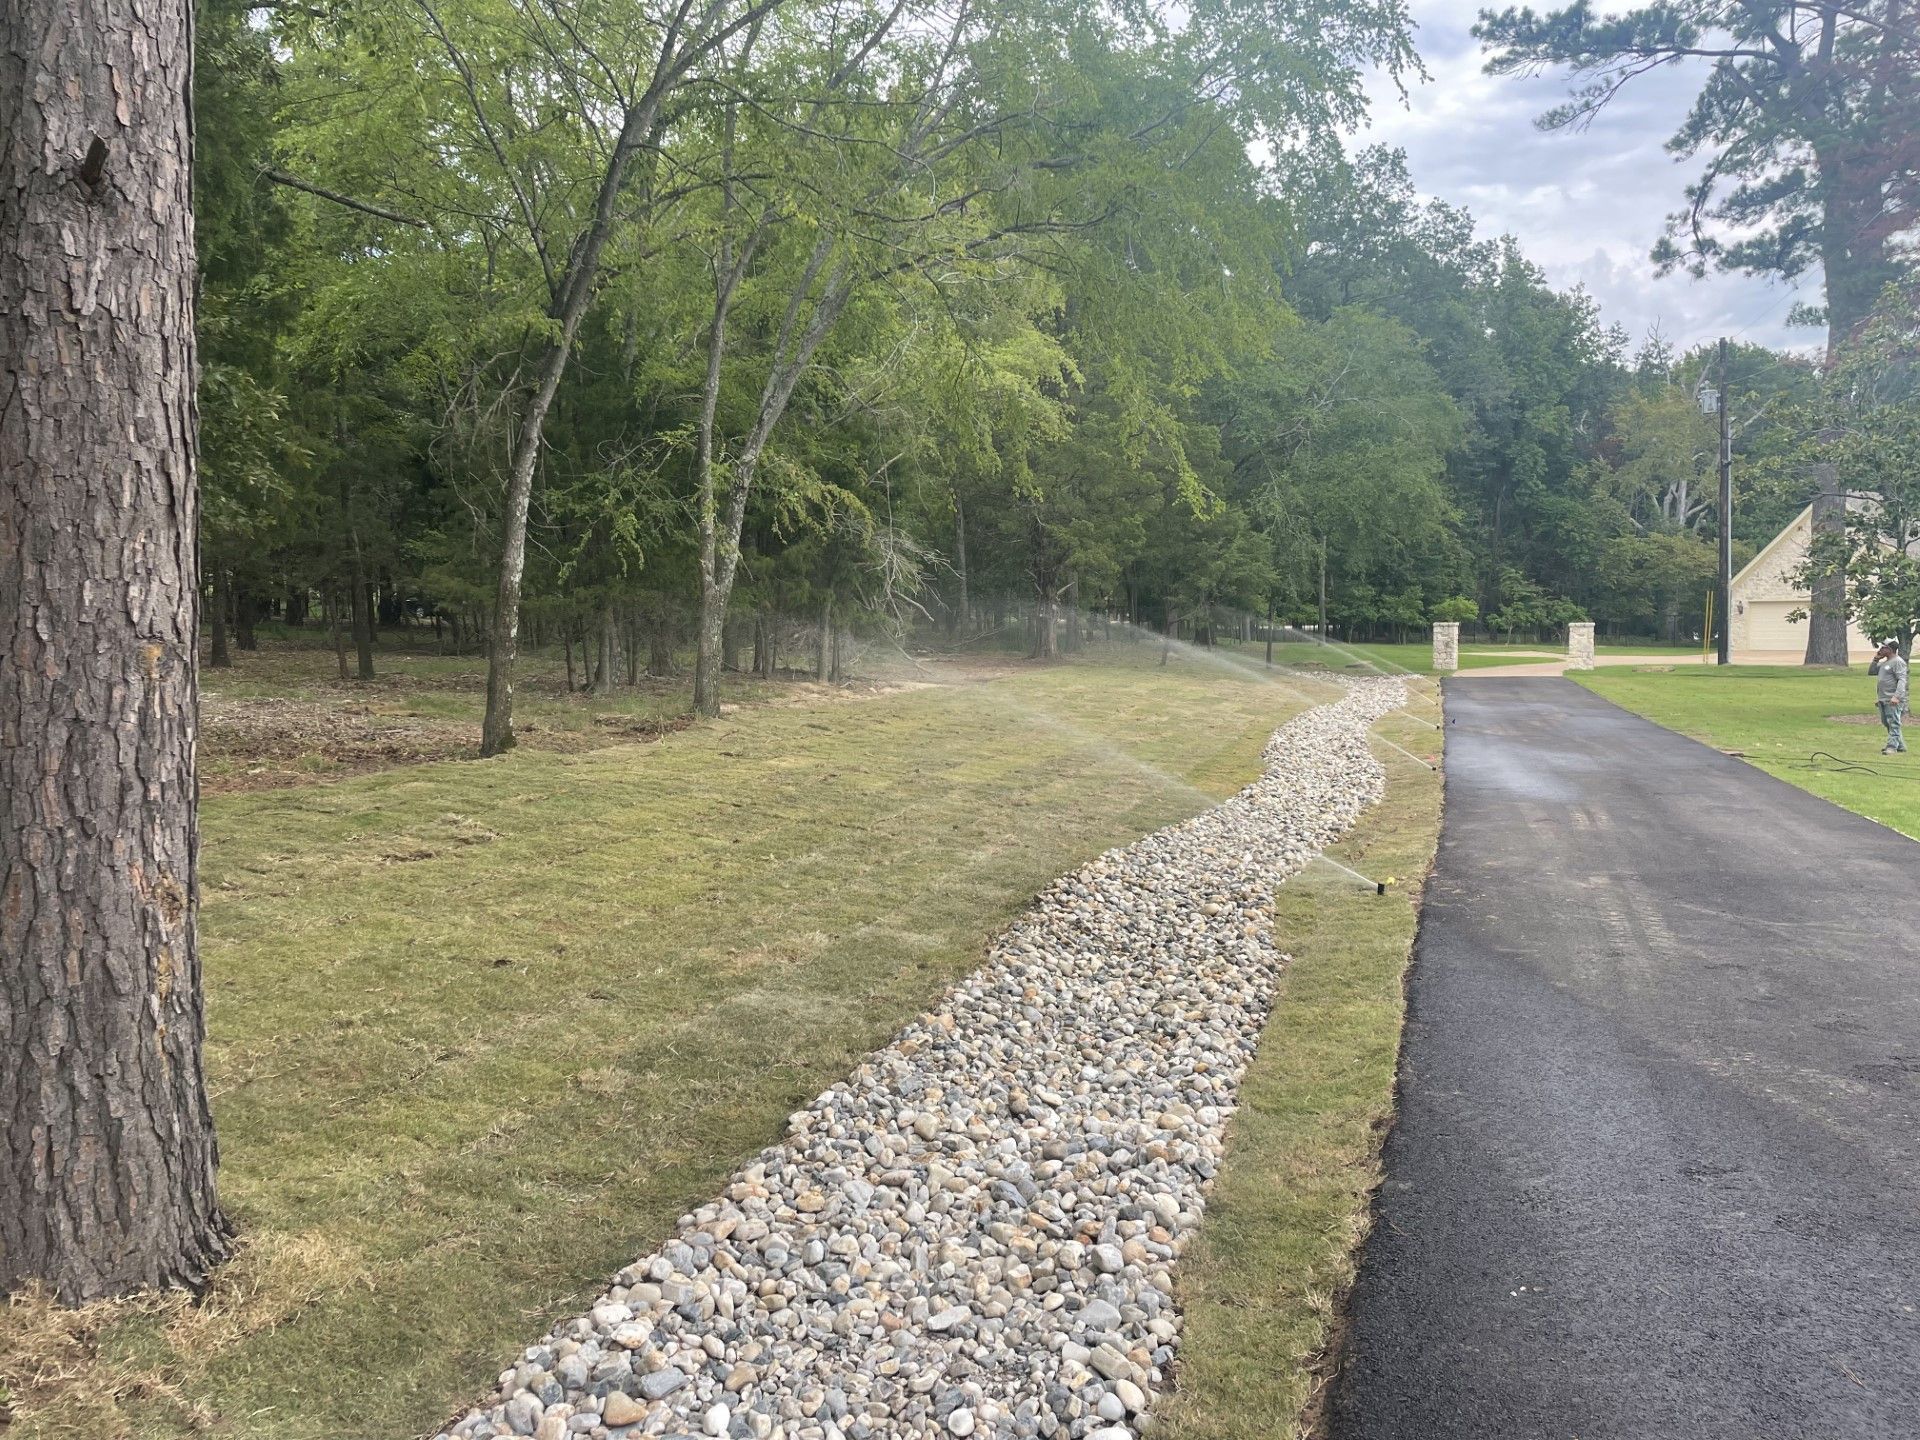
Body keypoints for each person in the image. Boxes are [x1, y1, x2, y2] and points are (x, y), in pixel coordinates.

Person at [1868, 640, 1909, 755]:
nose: (1880, 649)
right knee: (1887, 722)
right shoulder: (1885, 663)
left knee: (1893, 723)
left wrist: (1896, 697)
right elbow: (1871, 672)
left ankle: (1892, 747)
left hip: (1893, 699)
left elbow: (1902, 680)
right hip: (1883, 698)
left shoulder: (1898, 662)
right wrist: (1875, 659)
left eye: (1883, 647)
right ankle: (1900, 746)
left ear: (1890, 649)